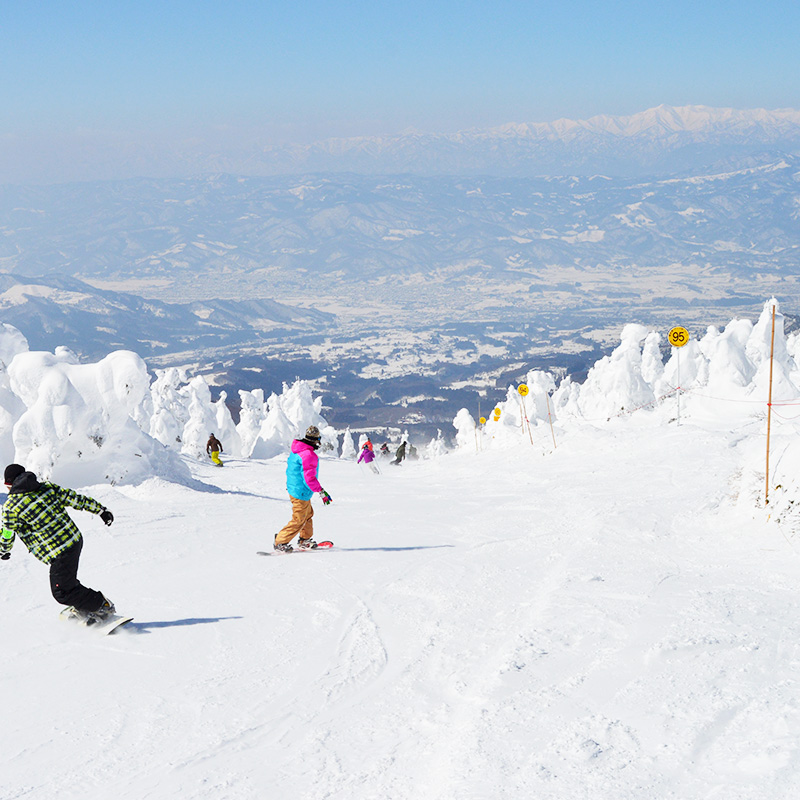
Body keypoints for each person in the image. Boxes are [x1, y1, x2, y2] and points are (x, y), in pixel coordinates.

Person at [0, 463, 116, 623]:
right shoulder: (46, 488)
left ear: (9, 483)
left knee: (62, 591)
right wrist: (101, 510)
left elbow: (7, 533)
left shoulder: (11, 507)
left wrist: (4, 550)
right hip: (74, 540)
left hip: (60, 552)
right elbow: (75, 499)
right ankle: (84, 606)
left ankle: (101, 605)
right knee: (67, 581)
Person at [274, 425, 332, 552]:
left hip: (298, 489)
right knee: (299, 519)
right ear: (315, 440)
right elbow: (309, 478)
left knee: (308, 515)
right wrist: (321, 491)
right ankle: (280, 541)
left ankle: (304, 539)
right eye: (318, 439)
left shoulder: (298, 450)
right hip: (300, 491)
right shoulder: (308, 455)